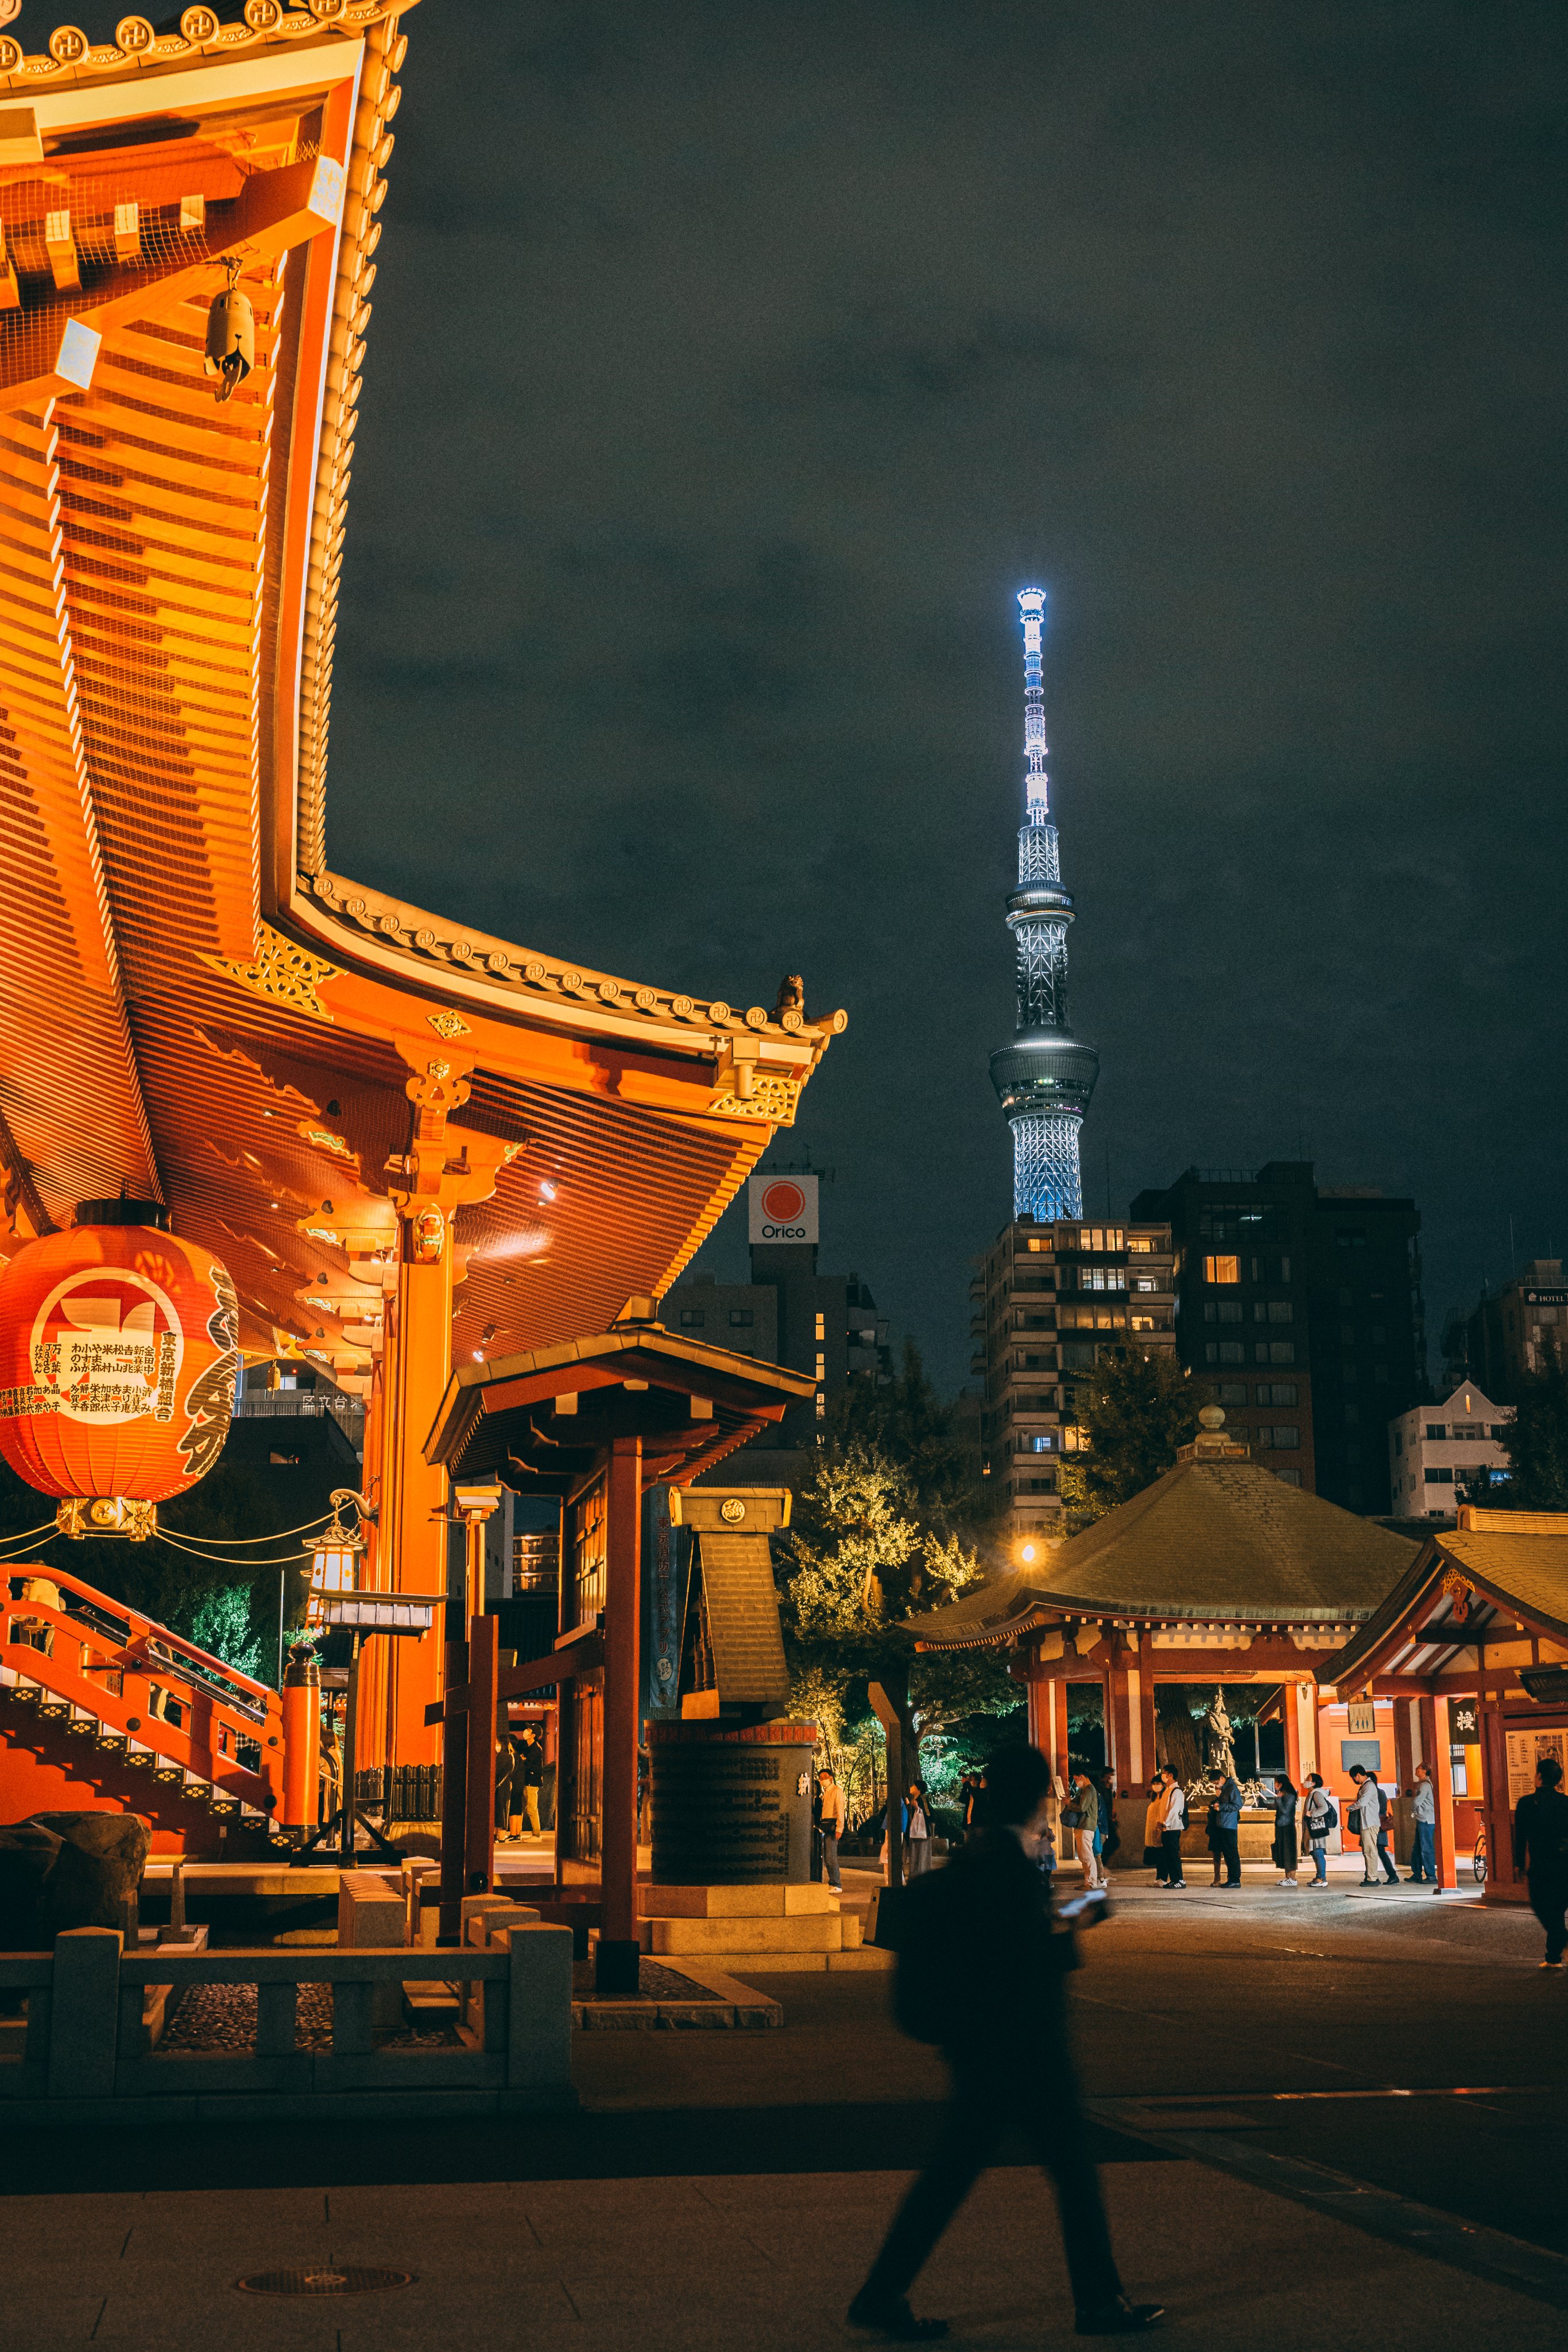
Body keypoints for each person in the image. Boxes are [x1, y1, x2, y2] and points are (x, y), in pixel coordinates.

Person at [848, 1743, 1164, 2340]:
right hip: (1026, 2053)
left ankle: (880, 2292)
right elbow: (1023, 1960)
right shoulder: (1012, 1867)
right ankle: (1098, 2302)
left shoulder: (978, 1854)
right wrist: (1078, 1923)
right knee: (1071, 2174)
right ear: (1038, 1795)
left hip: (977, 2049)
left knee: (948, 2177)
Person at [1512, 1755, 1568, 1968]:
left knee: (1542, 1908)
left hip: (1541, 1866)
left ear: (1539, 1777)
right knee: (1557, 1910)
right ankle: (1553, 1958)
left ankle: (1563, 1942)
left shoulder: (1526, 1804)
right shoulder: (1566, 1803)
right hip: (1565, 1865)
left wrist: (1519, 1864)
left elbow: (1521, 1837)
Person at [1349, 1766, 1387, 1886]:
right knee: (1368, 1851)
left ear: (1358, 1775)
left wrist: (1350, 1807)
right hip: (1367, 1822)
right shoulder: (1367, 1786)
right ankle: (1371, 1876)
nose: (1354, 1780)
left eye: (1354, 1777)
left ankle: (1372, 1878)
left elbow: (1363, 1802)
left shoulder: (1369, 1786)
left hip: (1370, 1823)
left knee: (1370, 1851)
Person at [1211, 1765, 1242, 1887]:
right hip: (1223, 1824)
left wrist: (1222, 1807)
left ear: (1222, 1778)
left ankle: (1235, 1880)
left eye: (1216, 1782)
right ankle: (1231, 1879)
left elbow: (1238, 1805)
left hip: (1229, 1825)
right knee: (1228, 1853)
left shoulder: (1232, 1788)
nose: (1216, 1785)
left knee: (1231, 1853)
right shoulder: (1226, 1788)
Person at [1157, 1768, 1187, 1891]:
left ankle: (1179, 1879)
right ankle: (1174, 1879)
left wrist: (1165, 1823)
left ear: (1171, 1775)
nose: (1162, 1775)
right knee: (1169, 1855)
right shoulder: (1167, 1791)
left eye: (1164, 1773)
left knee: (1173, 1854)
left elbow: (1174, 1809)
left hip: (1173, 1827)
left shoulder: (1177, 1791)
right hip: (1166, 1828)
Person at [1071, 1771, 1103, 1889]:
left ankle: (1091, 1883)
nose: (1076, 1782)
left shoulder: (1089, 1790)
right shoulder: (1088, 1790)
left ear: (1082, 1776)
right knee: (1085, 1855)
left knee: (1087, 1855)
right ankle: (1089, 1881)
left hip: (1085, 1826)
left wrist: (1069, 1803)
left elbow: (1082, 1807)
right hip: (1085, 1826)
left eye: (1076, 1779)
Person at [1407, 1763, 1437, 1883]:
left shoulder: (1424, 1785)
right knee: (1418, 1848)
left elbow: (1417, 1801)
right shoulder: (1425, 1784)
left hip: (1425, 1819)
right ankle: (1417, 1874)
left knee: (1426, 1848)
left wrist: (1412, 1809)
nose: (1416, 1770)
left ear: (1424, 1771)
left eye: (1418, 1769)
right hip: (1424, 1819)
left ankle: (1431, 1875)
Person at [1302, 1773, 1334, 1886]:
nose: (1305, 1781)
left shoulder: (1316, 1794)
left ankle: (1322, 1878)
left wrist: (1312, 1814)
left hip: (1317, 1829)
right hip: (1314, 1828)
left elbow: (1324, 1808)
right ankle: (1319, 1877)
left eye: (1308, 1779)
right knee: (1316, 1853)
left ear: (1313, 1783)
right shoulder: (1312, 1793)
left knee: (1318, 1852)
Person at [819, 1767, 846, 1891]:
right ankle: (832, 1882)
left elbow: (840, 1810)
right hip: (825, 1826)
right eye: (821, 1778)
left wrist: (840, 1828)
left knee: (831, 1857)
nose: (822, 1780)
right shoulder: (825, 1793)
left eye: (825, 1777)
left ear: (831, 1777)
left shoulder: (837, 1791)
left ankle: (836, 1884)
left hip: (833, 1827)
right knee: (827, 1857)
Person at [513, 1724, 544, 1836]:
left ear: (533, 1735)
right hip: (527, 1781)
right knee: (525, 1808)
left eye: (529, 1730)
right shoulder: (529, 1747)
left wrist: (523, 1760)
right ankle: (518, 1833)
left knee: (532, 1809)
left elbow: (530, 1766)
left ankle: (536, 1834)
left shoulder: (536, 1749)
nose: (526, 1731)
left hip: (532, 1781)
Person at [1272, 1773, 1299, 1886]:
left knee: (1289, 1852)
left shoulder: (1290, 1796)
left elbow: (1284, 1811)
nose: (1275, 1786)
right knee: (1283, 1852)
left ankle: (1292, 1879)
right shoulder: (1285, 1795)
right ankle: (1287, 1877)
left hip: (1287, 1828)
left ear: (1280, 1784)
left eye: (1276, 1783)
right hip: (1281, 1827)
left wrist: (1278, 1799)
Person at [906, 1782, 932, 1878]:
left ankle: (921, 1877)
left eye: (913, 1786)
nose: (911, 1787)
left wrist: (917, 1808)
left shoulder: (922, 1799)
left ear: (918, 1789)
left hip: (923, 1832)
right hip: (916, 1832)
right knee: (916, 1856)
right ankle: (916, 1876)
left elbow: (929, 1814)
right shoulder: (915, 1799)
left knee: (922, 1856)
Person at [1142, 1777, 1166, 1872]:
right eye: (1154, 1783)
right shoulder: (1155, 1799)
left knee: (1161, 1856)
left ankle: (1162, 1878)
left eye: (1158, 1783)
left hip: (1159, 1830)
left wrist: (1160, 1831)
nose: (1156, 1786)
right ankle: (1159, 1877)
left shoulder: (1164, 1799)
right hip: (1152, 1831)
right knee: (1158, 1856)